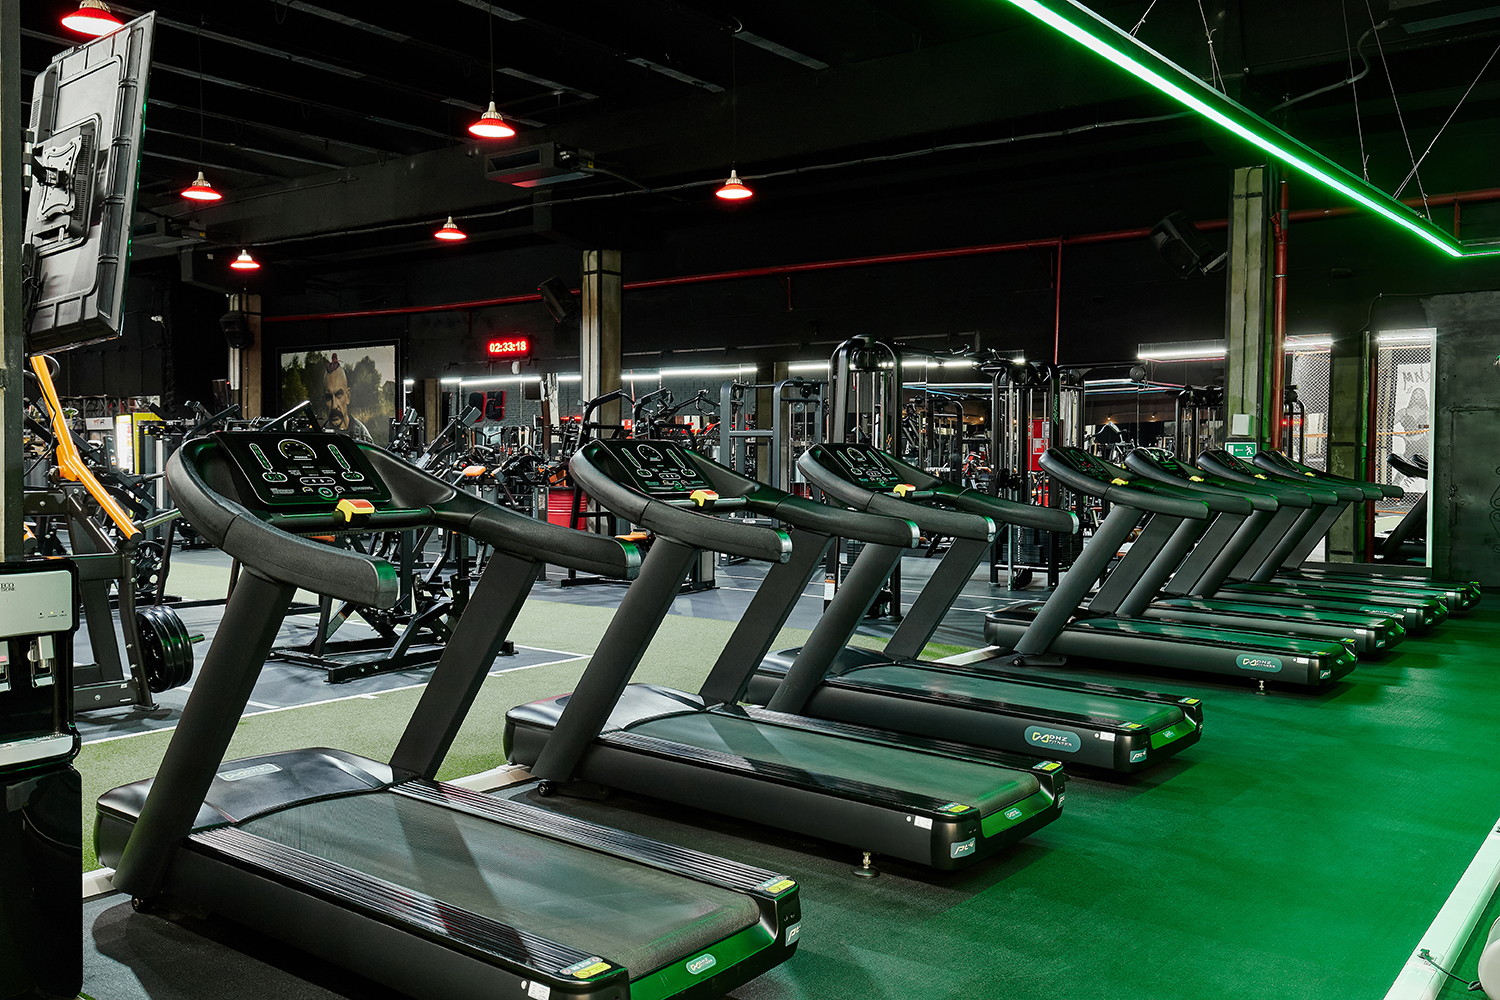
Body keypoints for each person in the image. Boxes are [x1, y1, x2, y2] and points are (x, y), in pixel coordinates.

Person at [323, 355, 373, 443]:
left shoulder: (363, 437)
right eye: (329, 397)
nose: (334, 406)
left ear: (348, 397)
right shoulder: (320, 437)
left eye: (338, 395)